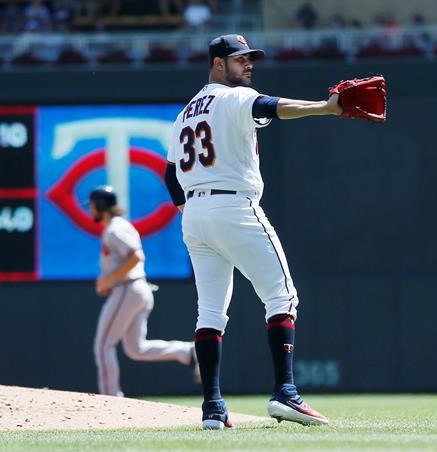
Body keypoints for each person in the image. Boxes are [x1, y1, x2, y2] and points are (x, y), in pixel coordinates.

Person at [163, 34, 341, 430]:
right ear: (216, 64)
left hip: (195, 216)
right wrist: (327, 108)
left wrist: (195, 211)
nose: (248, 65)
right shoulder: (235, 98)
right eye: (238, 59)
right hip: (233, 206)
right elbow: (273, 107)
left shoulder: (186, 113)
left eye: (249, 59)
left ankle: (212, 407)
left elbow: (170, 173)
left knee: (209, 312)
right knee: (282, 296)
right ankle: (286, 392)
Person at [89, 185, 200, 397]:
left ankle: (110, 398)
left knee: (103, 346)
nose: (90, 210)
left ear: (100, 206)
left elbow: (136, 256)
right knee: (135, 349)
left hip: (128, 289)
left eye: (93, 206)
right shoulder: (117, 226)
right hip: (135, 289)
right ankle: (187, 352)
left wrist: (108, 280)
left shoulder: (115, 228)